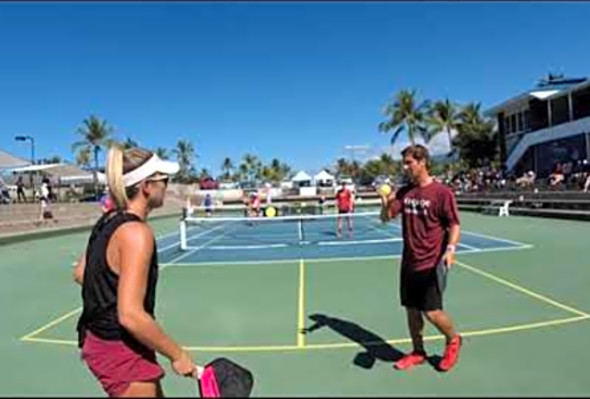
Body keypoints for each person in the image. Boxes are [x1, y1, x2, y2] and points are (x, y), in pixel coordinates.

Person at [72, 145, 200, 397]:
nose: (167, 184)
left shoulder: (108, 219)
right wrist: (178, 355)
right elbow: (130, 315)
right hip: (119, 349)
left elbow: (80, 273)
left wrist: (110, 290)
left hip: (97, 339)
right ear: (146, 187)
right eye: (163, 179)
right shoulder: (137, 234)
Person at [379, 144, 462, 372]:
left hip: (432, 261)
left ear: (422, 161)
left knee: (432, 312)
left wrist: (451, 249)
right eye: (404, 163)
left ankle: (453, 340)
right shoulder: (405, 192)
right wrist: (386, 200)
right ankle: (418, 352)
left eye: (409, 163)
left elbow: (454, 224)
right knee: (412, 310)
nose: (405, 167)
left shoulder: (441, 193)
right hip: (409, 261)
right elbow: (385, 218)